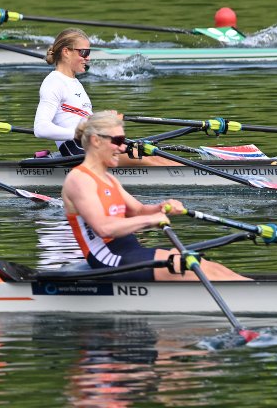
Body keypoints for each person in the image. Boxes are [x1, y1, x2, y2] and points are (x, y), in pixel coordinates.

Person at [62, 111, 248, 280]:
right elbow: (104, 229)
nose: (122, 148)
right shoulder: (80, 180)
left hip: (131, 252)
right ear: (96, 141)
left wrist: (161, 207)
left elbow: (138, 210)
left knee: (210, 267)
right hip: (109, 259)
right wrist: (150, 220)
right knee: (190, 269)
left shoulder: (108, 179)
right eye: (118, 141)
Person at [34, 28, 174, 165]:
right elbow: (41, 128)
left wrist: (103, 118)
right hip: (78, 151)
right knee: (147, 158)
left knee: (148, 152)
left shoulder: (74, 82)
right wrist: (79, 133)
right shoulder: (54, 83)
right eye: (84, 52)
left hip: (93, 144)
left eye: (88, 53)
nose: (87, 58)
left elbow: (77, 118)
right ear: (66, 52)